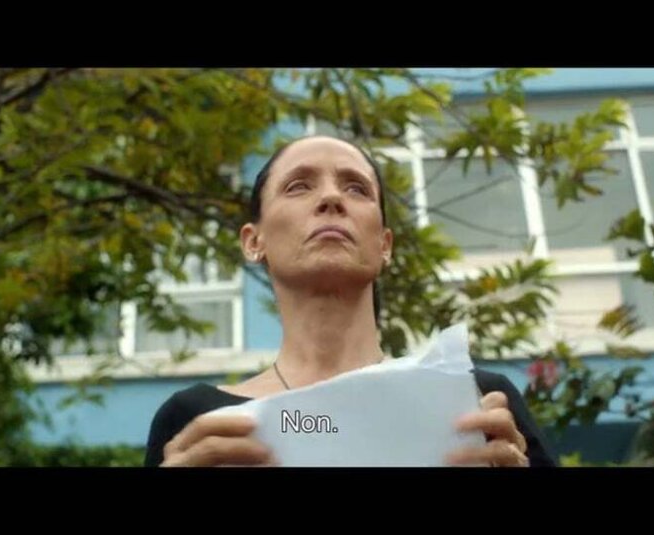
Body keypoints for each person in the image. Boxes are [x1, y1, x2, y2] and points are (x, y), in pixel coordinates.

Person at [144, 135, 557, 467]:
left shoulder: (476, 403)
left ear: (384, 245)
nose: (331, 199)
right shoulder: (196, 421)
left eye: (356, 188)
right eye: (298, 186)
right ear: (254, 241)